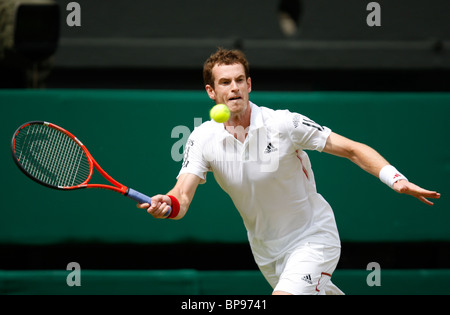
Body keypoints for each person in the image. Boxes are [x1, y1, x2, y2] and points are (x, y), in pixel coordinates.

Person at [137, 48, 441, 295]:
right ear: (211, 92)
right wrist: (168, 205)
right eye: (225, 83)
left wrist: (396, 180)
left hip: (313, 237)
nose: (235, 88)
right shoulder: (201, 138)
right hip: (267, 253)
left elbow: (351, 149)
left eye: (240, 80)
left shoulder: (283, 124)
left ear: (249, 85)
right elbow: (182, 198)